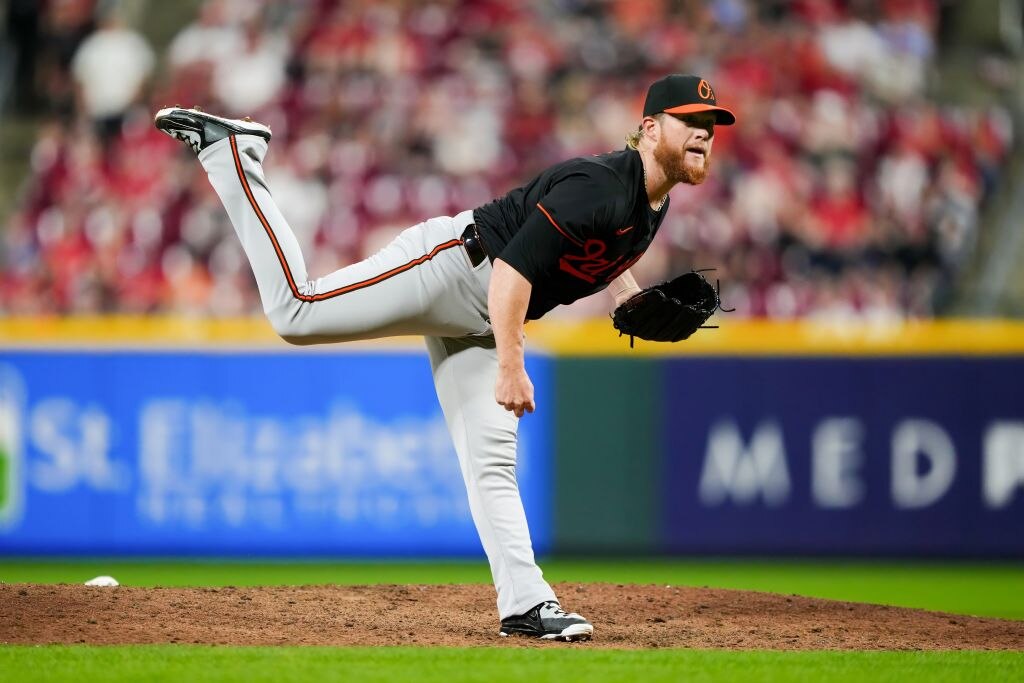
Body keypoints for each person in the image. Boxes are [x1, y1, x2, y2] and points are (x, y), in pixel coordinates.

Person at [154, 73, 736, 641]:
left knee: (492, 465)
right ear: (649, 128)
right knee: (296, 312)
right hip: (456, 269)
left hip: (487, 315)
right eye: (689, 121)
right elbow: (514, 269)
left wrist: (626, 293)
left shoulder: (649, 201)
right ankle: (236, 155)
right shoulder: (604, 185)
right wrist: (512, 366)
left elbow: (591, 243)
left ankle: (528, 605)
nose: (704, 132)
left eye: (711, 124)